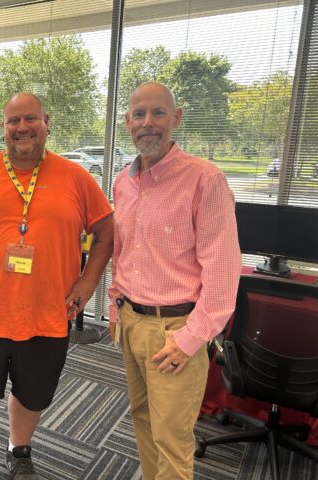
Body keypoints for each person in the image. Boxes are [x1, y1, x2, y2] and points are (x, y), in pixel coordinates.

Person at [0, 92, 114, 480]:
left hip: (49, 314)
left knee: (31, 395)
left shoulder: (75, 177)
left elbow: (106, 229)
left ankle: (19, 448)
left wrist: (87, 280)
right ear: (4, 128)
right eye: (13, 121)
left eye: (31, 119)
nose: (22, 128)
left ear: (47, 122)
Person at [108, 81, 242, 480]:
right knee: (144, 422)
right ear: (127, 122)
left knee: (172, 439)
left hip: (174, 329)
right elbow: (124, 251)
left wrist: (189, 340)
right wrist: (117, 306)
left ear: (176, 118)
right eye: (139, 114)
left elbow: (222, 274)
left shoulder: (205, 180)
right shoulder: (123, 181)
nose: (147, 123)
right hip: (130, 322)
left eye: (158, 113)